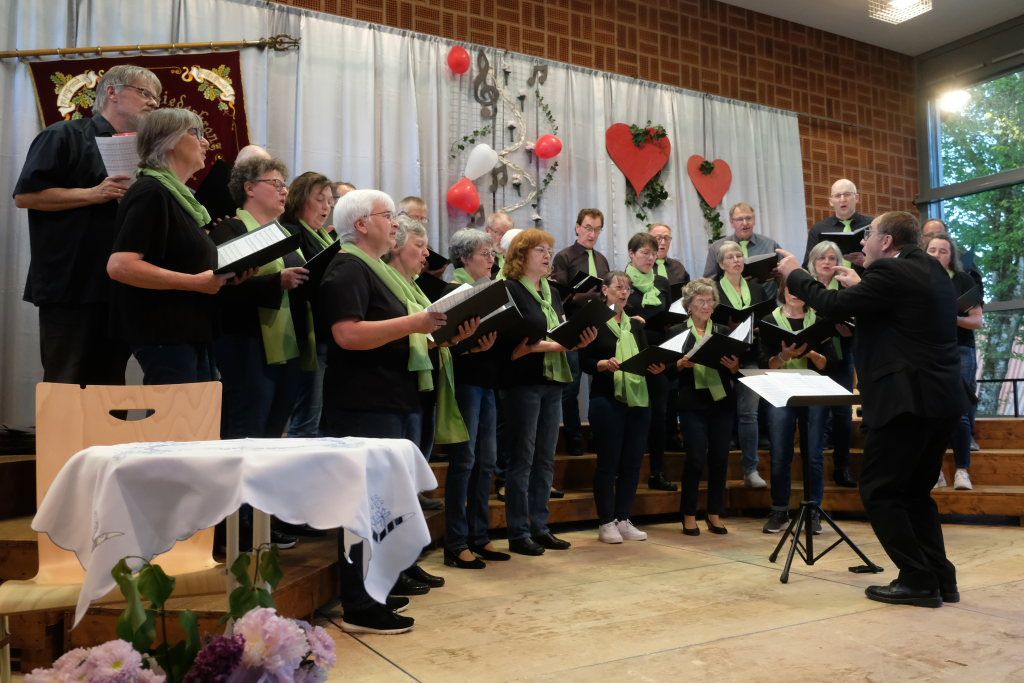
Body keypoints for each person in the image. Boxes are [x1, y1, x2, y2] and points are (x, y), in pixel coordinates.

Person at [777, 211, 969, 608]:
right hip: (941, 399)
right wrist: (860, 299)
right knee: (915, 493)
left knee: (879, 491)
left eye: (869, 236)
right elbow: (899, 320)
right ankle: (940, 576)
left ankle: (917, 579)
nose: (862, 243)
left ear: (886, 242)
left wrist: (795, 273)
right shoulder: (932, 269)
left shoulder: (891, 272)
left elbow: (830, 301)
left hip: (905, 401)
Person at [318, 189, 448, 634]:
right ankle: (359, 603)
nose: (395, 223)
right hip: (362, 405)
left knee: (382, 507)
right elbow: (348, 335)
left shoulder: (376, 270)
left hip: (388, 400)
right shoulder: (348, 268)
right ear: (360, 225)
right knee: (363, 508)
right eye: (387, 216)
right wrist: (415, 323)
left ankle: (375, 589)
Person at [14, 64, 161, 385]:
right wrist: (94, 194)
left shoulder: (145, 153)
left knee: (110, 386)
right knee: (66, 383)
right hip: (71, 285)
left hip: (119, 286)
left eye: (156, 98)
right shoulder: (64, 135)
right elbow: (26, 196)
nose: (153, 102)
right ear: (112, 92)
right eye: (145, 93)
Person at [107, 108, 236, 383]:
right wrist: (194, 283)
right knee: (175, 410)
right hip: (165, 331)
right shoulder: (151, 192)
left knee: (199, 409)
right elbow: (120, 266)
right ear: (169, 141)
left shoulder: (181, 198)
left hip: (190, 329)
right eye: (196, 133)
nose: (205, 142)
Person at [498, 229, 597, 555]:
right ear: (521, 255)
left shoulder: (552, 291)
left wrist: (576, 339)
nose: (546, 255)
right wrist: (559, 344)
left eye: (548, 250)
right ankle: (518, 532)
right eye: (539, 250)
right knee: (522, 459)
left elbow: (557, 330)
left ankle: (540, 527)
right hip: (524, 381)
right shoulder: (510, 289)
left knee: (545, 458)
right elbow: (515, 341)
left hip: (554, 380)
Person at [209, 158, 313, 442]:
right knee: (246, 429)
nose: (284, 191)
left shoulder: (285, 233)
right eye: (276, 183)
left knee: (274, 433)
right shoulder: (229, 230)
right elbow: (221, 288)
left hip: (288, 345)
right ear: (249, 188)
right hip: (245, 345)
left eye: (285, 185)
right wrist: (276, 282)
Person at [580, 271, 664, 544]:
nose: (624, 292)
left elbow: (646, 358)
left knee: (632, 462)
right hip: (607, 399)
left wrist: (655, 367)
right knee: (608, 463)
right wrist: (603, 364)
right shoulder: (596, 323)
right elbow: (584, 361)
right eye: (618, 286)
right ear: (605, 290)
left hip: (637, 399)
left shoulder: (635, 325)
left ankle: (623, 518)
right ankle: (606, 521)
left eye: (627, 288)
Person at [442, 228, 508, 568]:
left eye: (492, 253)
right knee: (465, 462)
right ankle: (456, 542)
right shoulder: (453, 290)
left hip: (487, 380)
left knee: (486, 462)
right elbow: (442, 341)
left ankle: (480, 536)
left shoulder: (489, 290)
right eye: (485, 253)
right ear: (465, 258)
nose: (491, 259)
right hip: (465, 381)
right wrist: (469, 346)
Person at [759, 280, 834, 535]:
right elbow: (765, 363)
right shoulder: (770, 320)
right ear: (784, 291)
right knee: (781, 452)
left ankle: (813, 511)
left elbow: (829, 364)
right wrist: (783, 356)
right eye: (791, 289)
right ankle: (780, 510)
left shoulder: (819, 320)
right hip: (780, 390)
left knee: (813, 453)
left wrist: (810, 353)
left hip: (814, 390)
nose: (795, 294)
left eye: (801, 290)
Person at [675, 279, 741, 536]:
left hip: (721, 401)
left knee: (720, 457)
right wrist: (680, 364)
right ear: (689, 305)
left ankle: (714, 512)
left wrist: (734, 367)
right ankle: (689, 514)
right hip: (692, 401)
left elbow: (735, 369)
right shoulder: (678, 331)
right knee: (695, 457)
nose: (706, 305)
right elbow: (666, 369)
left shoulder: (723, 331)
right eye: (700, 301)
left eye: (710, 301)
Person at [279, 172, 337, 438]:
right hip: (305, 333)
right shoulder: (292, 232)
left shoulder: (324, 237)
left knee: (321, 417)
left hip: (324, 332)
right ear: (301, 199)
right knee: (306, 419)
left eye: (330, 201)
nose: (327, 207)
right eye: (320, 199)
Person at [925, 232, 982, 491]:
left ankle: (962, 471)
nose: (937, 255)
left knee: (958, 410)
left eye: (943, 251)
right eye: (932, 250)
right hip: (927, 351)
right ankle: (934, 471)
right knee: (928, 413)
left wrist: (953, 318)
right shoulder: (917, 279)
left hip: (959, 349)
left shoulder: (963, 280)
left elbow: (977, 321)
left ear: (951, 256)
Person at [551, 209, 610, 455]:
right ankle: (574, 439)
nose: (592, 234)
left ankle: (598, 436)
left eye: (597, 229)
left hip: (597, 327)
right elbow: (559, 296)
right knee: (571, 387)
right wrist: (587, 295)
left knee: (602, 383)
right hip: (573, 327)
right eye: (588, 228)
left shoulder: (602, 260)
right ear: (577, 228)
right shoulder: (564, 256)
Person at [623, 232, 676, 493]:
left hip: (657, 354)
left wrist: (666, 360)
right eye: (644, 253)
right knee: (632, 416)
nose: (650, 258)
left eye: (653, 254)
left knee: (658, 418)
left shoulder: (662, 282)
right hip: (631, 353)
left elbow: (668, 320)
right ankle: (626, 475)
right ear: (631, 254)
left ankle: (657, 471)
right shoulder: (621, 281)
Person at [714, 240, 769, 489]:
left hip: (750, 356)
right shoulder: (714, 289)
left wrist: (754, 328)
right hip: (722, 358)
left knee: (749, 414)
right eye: (730, 257)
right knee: (722, 414)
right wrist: (730, 329)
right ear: (721, 264)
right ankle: (721, 473)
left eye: (739, 256)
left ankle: (751, 469)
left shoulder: (756, 289)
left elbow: (765, 320)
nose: (736, 260)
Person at [807, 241, 858, 488]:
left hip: (842, 355)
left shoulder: (846, 288)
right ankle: (814, 471)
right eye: (822, 258)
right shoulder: (808, 288)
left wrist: (850, 333)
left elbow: (860, 322)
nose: (827, 262)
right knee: (817, 415)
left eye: (831, 258)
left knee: (842, 415)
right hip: (813, 358)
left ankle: (842, 467)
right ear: (813, 262)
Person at [703, 202, 780, 298]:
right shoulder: (717, 248)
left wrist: (780, 272)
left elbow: (784, 277)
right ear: (731, 222)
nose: (745, 223)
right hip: (731, 301)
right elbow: (709, 282)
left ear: (754, 220)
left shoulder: (770, 244)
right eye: (739, 219)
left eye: (748, 218)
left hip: (767, 300)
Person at [802, 179, 873, 268]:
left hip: (866, 275)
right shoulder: (818, 229)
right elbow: (809, 264)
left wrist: (866, 261)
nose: (842, 199)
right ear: (831, 201)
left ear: (856, 198)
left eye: (847, 194)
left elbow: (884, 258)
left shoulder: (872, 225)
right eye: (837, 196)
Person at [485, 210, 514, 277]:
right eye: (499, 233)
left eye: (507, 234)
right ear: (487, 230)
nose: (503, 238)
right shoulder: (480, 256)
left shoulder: (515, 256)